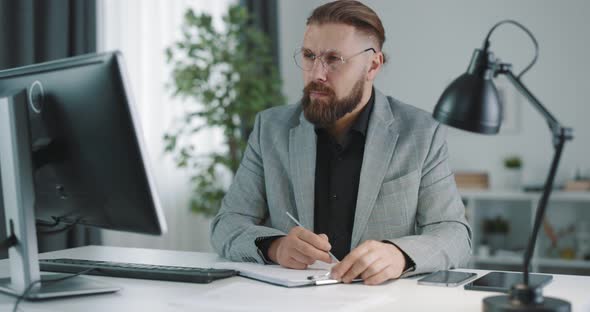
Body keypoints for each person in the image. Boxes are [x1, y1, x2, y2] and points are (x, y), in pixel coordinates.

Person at [210, 0, 472, 285]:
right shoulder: (270, 128)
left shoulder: (421, 132)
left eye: (334, 60)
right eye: (309, 56)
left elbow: (455, 234)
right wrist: (276, 246)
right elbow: (226, 225)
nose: (316, 74)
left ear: (372, 65)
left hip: (381, 302)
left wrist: (399, 255)